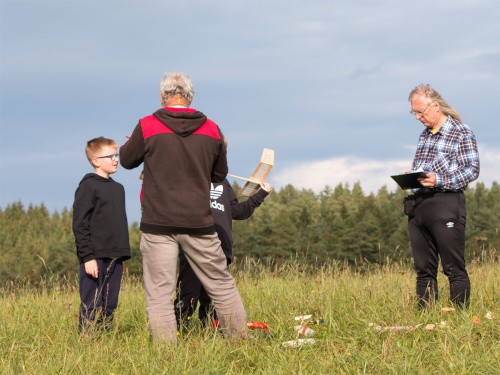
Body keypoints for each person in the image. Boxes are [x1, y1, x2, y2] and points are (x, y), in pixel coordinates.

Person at [119, 72, 248, 341]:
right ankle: (241, 345)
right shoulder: (212, 129)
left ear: (162, 97)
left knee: (160, 294)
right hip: (199, 221)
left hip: (158, 223)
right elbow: (218, 175)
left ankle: (167, 359)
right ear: (190, 98)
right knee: (221, 285)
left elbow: (127, 160)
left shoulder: (147, 125)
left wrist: (128, 144)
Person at [404, 84, 479, 309]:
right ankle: (425, 319)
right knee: (424, 270)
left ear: (435, 106)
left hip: (446, 203)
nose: (418, 117)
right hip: (418, 206)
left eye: (421, 112)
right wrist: (412, 177)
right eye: (414, 113)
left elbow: (471, 169)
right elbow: (422, 169)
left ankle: (460, 319)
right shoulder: (424, 136)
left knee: (453, 268)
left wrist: (439, 180)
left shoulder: (461, 132)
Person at [175, 180, 272, 329]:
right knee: (188, 294)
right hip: (193, 246)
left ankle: (211, 333)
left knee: (214, 299)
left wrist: (260, 195)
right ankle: (177, 334)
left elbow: (238, 211)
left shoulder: (223, 182)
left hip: (220, 247)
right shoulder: (189, 174)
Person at [72, 137, 131, 332]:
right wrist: (88, 257)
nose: (116, 159)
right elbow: (80, 224)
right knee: (91, 303)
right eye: (111, 156)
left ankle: (103, 341)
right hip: (95, 256)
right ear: (95, 160)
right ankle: (87, 342)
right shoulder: (88, 186)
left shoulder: (118, 188)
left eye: (117, 155)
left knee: (109, 304)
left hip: (115, 255)